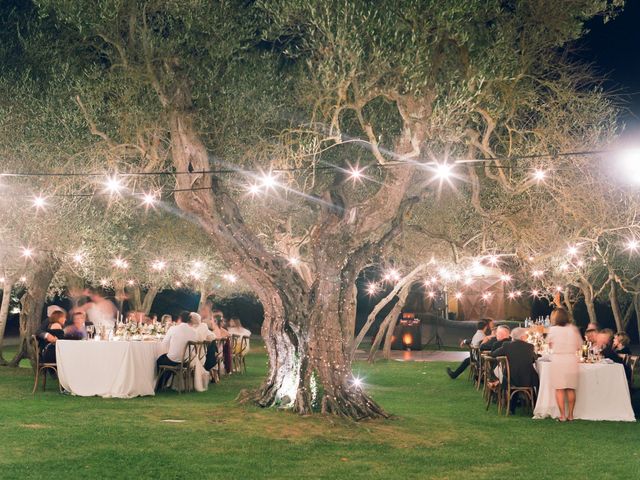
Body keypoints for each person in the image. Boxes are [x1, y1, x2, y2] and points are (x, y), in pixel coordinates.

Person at [491, 327, 538, 413]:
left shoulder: (507, 345)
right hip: (527, 380)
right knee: (537, 378)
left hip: (510, 379)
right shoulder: (529, 347)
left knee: (514, 377)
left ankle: (511, 408)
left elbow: (494, 354)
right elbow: (534, 359)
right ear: (522, 337)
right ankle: (535, 405)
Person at [547, 308, 582, 422]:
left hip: (558, 359)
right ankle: (571, 415)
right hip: (571, 359)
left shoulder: (553, 330)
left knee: (560, 388)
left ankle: (562, 415)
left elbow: (550, 345)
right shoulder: (573, 329)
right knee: (571, 388)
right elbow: (579, 346)